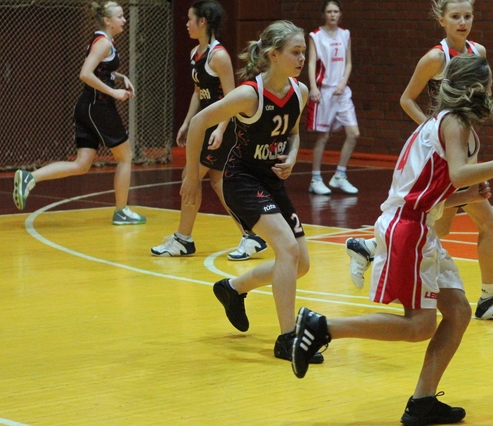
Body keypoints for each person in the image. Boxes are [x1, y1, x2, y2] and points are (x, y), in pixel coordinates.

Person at [292, 54, 493, 425]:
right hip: (408, 228)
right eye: (489, 84)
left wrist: (467, 197)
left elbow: (437, 192)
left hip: (420, 226)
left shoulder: (448, 124)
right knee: (419, 326)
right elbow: (458, 173)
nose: (492, 90)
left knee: (458, 312)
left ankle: (422, 402)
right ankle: (322, 326)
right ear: (476, 88)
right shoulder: (453, 123)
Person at [346, 0, 493, 322]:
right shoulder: (435, 58)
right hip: (442, 151)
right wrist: (432, 131)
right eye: (455, 16)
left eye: (467, 16)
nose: (462, 22)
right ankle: (487, 299)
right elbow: (406, 99)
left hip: (460, 146)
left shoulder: (478, 52)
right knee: (449, 224)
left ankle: (371, 247)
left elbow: (482, 96)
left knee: (449, 226)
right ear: (441, 20)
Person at [181, 21, 323, 363]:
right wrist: (191, 177)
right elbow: (199, 123)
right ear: (273, 55)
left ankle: (233, 289)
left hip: (271, 181)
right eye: (295, 52)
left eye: (303, 52)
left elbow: (292, 134)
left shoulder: (300, 92)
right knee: (287, 248)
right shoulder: (249, 94)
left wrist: (292, 156)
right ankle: (287, 339)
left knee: (301, 264)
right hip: (241, 180)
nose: (302, 58)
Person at [150, 1, 266, 260]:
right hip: (204, 126)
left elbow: (232, 98)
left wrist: (221, 129)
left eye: (190, 19)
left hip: (220, 127)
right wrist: (187, 122)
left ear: (202, 21)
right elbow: (198, 93)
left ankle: (183, 239)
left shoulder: (219, 56)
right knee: (218, 182)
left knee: (189, 176)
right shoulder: (196, 53)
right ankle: (252, 235)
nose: (187, 24)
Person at [12, 1, 145, 225]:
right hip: (98, 107)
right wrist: (113, 92)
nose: (124, 20)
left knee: (81, 164)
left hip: (87, 107)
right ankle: (122, 211)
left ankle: (29, 178)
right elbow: (85, 73)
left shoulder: (102, 40)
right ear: (107, 21)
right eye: (120, 16)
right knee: (125, 156)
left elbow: (100, 70)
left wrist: (120, 77)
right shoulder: (103, 43)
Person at [306, 0, 360, 195]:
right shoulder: (315, 36)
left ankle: (340, 175)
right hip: (325, 90)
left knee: (353, 133)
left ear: (340, 14)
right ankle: (315, 179)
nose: (332, 15)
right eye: (329, 11)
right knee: (324, 136)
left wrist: (343, 82)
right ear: (324, 14)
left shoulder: (345, 34)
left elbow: (349, 62)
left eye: (336, 11)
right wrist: (313, 87)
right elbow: (311, 63)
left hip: (342, 91)